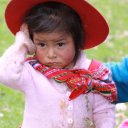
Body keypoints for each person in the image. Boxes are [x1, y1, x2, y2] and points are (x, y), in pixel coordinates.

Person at [0, 0, 117, 128]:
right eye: (42, 44)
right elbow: (5, 74)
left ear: (77, 41)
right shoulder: (32, 72)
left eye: (60, 44)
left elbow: (103, 112)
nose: (50, 54)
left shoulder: (94, 73)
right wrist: (22, 42)